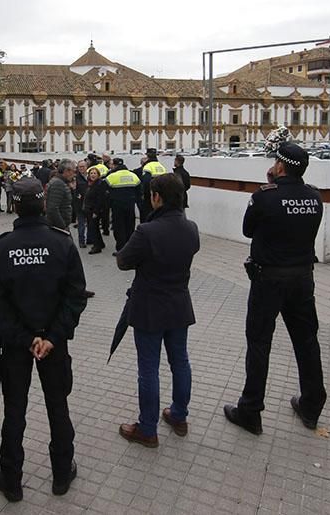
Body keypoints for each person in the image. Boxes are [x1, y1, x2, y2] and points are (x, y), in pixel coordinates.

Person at [0, 178, 88, 501]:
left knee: (15, 410)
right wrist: (52, 337)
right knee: (58, 406)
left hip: (16, 345)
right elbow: (76, 296)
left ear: (14, 205)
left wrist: (25, 338)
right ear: (43, 204)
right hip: (53, 344)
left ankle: (11, 479)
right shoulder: (62, 243)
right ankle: (60, 474)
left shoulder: (1, 247)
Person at [223, 143, 327, 435]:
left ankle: (251, 410)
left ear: (278, 167)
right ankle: (312, 403)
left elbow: (248, 229)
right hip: (303, 280)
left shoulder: (265, 197)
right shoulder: (315, 197)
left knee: (259, 343)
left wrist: (270, 186)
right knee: (307, 342)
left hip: (268, 281)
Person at [117, 174, 199, 448]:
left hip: (150, 307)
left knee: (149, 370)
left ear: (157, 197)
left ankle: (147, 428)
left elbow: (123, 262)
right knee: (181, 362)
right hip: (178, 305)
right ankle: (179, 415)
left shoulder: (147, 231)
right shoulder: (192, 228)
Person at [105, 158, 140, 254]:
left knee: (119, 228)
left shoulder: (112, 176)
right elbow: (139, 191)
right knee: (130, 227)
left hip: (117, 206)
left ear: (115, 165)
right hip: (130, 206)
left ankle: (121, 250)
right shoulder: (133, 175)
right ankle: (130, 248)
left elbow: (104, 190)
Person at [83, 167, 108, 254]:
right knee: (95, 227)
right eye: (91, 173)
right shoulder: (90, 184)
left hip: (94, 210)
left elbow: (100, 199)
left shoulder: (100, 184)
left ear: (98, 175)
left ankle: (96, 246)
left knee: (93, 228)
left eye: (95, 173)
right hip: (89, 208)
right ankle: (100, 243)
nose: (93, 175)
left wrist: (96, 212)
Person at [45, 161, 75, 232]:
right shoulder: (58, 184)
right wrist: (62, 226)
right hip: (58, 228)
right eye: (73, 171)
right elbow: (53, 208)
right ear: (66, 171)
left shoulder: (60, 182)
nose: (74, 174)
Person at [138, 149, 167, 222]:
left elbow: (146, 182)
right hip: (162, 195)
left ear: (147, 156)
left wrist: (144, 195)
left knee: (147, 216)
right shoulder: (161, 166)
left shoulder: (147, 166)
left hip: (150, 196)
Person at [74, 161, 89, 245]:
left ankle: (90, 239)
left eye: (83, 166)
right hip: (79, 204)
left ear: (87, 167)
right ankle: (81, 241)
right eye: (80, 167)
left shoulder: (91, 176)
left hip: (90, 204)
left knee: (91, 223)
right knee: (81, 223)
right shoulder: (75, 178)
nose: (81, 168)